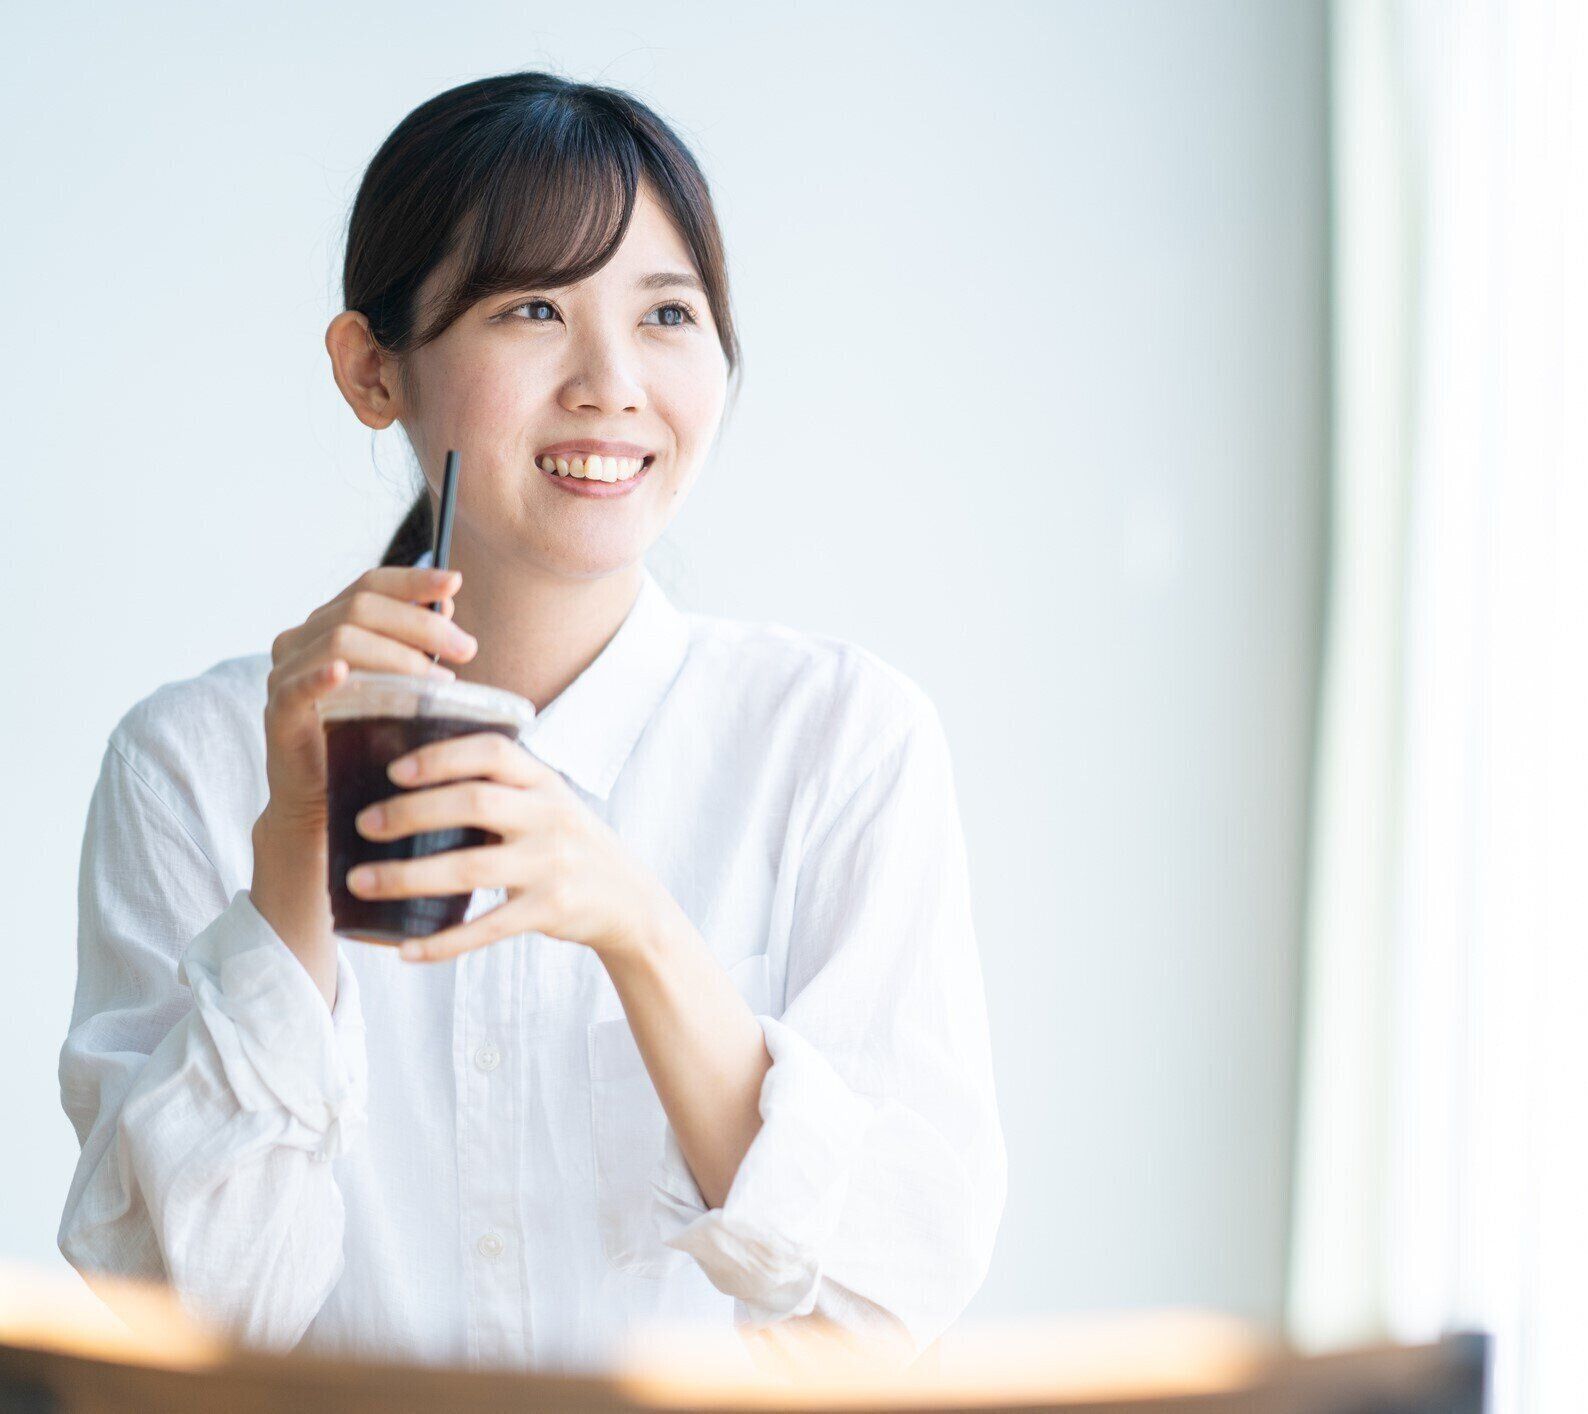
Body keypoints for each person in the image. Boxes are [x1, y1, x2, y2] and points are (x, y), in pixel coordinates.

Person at [55, 71, 1005, 1376]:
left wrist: (641, 929)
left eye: (667, 313)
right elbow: (197, 1329)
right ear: (372, 368)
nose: (613, 384)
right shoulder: (192, 766)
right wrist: (291, 855)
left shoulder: (841, 741)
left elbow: (880, 1309)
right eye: (534, 308)